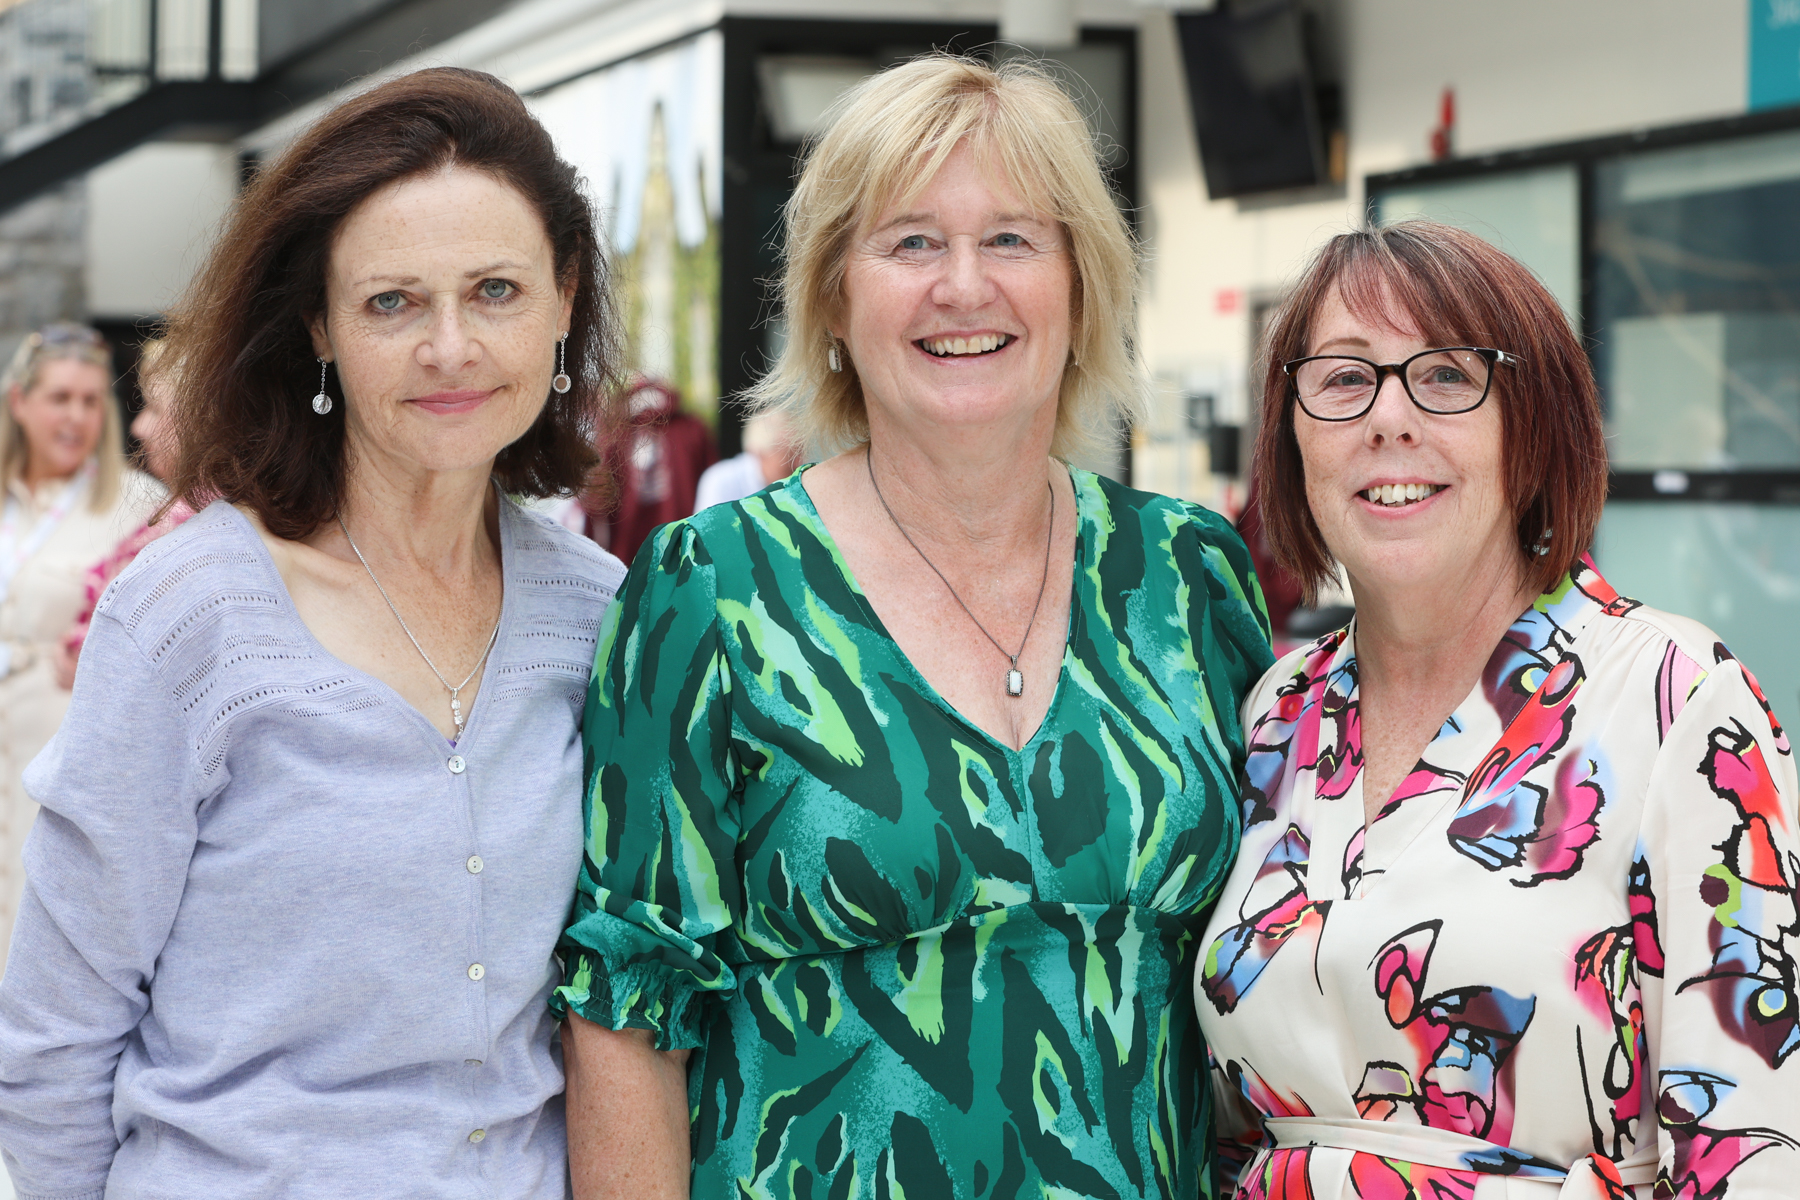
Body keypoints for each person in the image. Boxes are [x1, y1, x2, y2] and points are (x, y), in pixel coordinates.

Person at [557, 54, 1273, 1200]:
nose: (963, 287)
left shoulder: (1186, 575)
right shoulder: (710, 589)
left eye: (1012, 240)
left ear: (1081, 287)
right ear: (834, 297)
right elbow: (628, 1014)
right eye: (910, 242)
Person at [0, 68, 627, 1197]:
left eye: (494, 290)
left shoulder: (598, 613)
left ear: (564, 297)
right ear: (319, 327)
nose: (451, 347)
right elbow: (57, 1033)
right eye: (393, 302)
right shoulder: (192, 618)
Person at [1196, 220, 1800, 1198]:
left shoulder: (1674, 698)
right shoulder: (1278, 714)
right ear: (1290, 434)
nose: (1389, 420)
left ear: (1536, 423)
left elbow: (1758, 1148)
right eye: (1344, 379)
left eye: (1444, 376)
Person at [0, 323, 158, 977]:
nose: (76, 417)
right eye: (61, 398)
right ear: (20, 403)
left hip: (55, 746)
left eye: (92, 401)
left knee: (29, 915)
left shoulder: (137, 506)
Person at [54, 338, 198, 687]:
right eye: (59, 398)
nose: (139, 428)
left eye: (154, 408)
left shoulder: (180, 523)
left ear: (199, 420)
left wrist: (93, 664)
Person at [583, 375, 714, 561]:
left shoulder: (690, 429)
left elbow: (709, 481)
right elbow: (598, 489)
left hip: (679, 532)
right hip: (628, 535)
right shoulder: (615, 431)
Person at [693, 408, 803, 510]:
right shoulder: (721, 481)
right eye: (791, 455)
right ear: (762, 452)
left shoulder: (796, 485)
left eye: (800, 453)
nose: (799, 462)